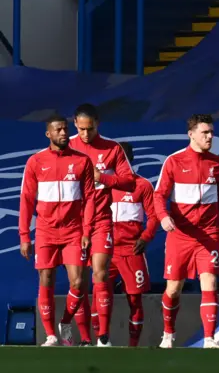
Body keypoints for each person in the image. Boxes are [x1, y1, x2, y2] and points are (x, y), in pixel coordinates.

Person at [19, 114, 96, 346]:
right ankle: (52, 335)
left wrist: (86, 231)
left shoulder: (82, 161)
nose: (63, 133)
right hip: (45, 231)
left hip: (73, 232)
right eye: (58, 130)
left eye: (65, 129)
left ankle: (65, 323)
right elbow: (26, 199)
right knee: (46, 278)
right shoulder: (36, 161)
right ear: (48, 134)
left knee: (78, 282)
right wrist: (24, 235)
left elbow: (90, 198)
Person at [154, 114, 219, 349]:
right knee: (174, 288)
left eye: (211, 132)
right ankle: (168, 334)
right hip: (181, 235)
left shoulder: (218, 164)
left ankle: (209, 338)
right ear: (191, 134)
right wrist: (164, 217)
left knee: (210, 282)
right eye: (205, 132)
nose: (209, 136)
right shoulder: (174, 161)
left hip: (209, 234)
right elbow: (159, 196)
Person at [69, 103, 135, 347]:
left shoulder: (112, 148)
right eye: (82, 128)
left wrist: (103, 178)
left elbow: (129, 182)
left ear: (98, 123)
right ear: (75, 123)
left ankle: (103, 337)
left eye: (91, 128)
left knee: (101, 273)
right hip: (73, 224)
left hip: (101, 221)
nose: (86, 134)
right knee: (78, 281)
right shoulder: (67, 147)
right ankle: (85, 338)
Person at [108, 142, 159, 347]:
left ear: (132, 159)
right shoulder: (104, 186)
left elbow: (154, 216)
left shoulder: (143, 185)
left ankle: (133, 347)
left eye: (125, 158)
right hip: (107, 250)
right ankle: (101, 341)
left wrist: (145, 237)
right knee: (100, 294)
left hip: (131, 250)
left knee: (135, 299)